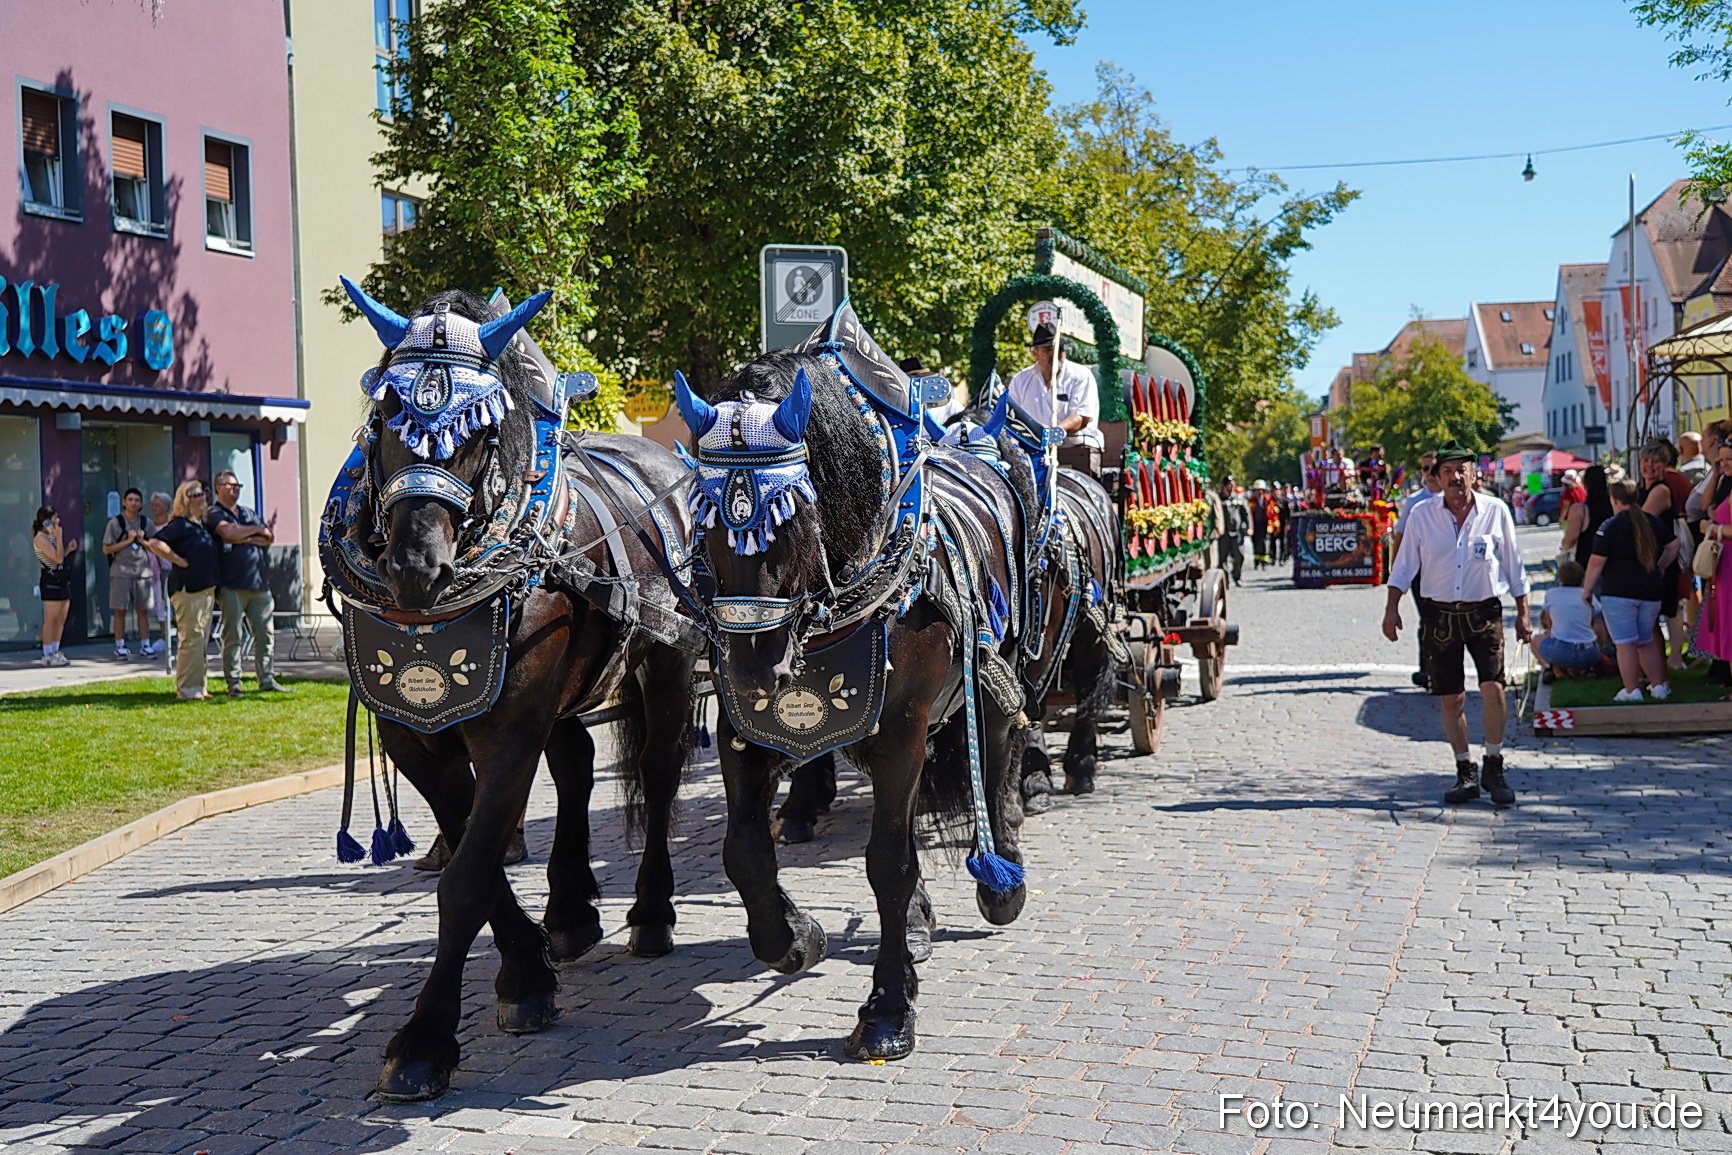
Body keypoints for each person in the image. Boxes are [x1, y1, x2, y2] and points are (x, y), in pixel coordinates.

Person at [1382, 441, 1530, 806]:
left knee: (1494, 690)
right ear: (1437, 476)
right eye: (1447, 471)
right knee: (1452, 697)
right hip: (1440, 615)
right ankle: (1465, 769)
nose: (1455, 477)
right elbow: (1403, 567)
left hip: (1484, 613)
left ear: (1474, 473)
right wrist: (1392, 608)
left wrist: (1524, 612)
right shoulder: (1421, 515)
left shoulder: (1495, 510)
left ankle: (1494, 764)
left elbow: (1513, 565)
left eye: (1461, 469)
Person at [1583, 479, 1682, 702]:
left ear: (1614, 500)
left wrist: (1587, 590)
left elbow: (1596, 562)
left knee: (1625, 643)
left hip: (1618, 592)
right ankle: (1658, 687)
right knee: (1645, 640)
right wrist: (1660, 566)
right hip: (1650, 589)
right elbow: (1675, 545)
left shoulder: (1610, 526)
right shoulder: (1651, 522)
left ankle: (1631, 690)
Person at [206, 469, 290, 696]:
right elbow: (227, 533)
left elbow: (268, 536)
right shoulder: (214, 512)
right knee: (233, 635)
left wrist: (241, 534)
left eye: (238, 486)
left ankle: (267, 680)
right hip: (231, 585)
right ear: (218, 487)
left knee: (265, 634)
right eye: (231, 485)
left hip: (259, 585)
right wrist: (253, 533)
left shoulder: (247, 512)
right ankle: (234, 683)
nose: (235, 489)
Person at [147, 481, 220, 701]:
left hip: (205, 588)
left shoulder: (200, 525)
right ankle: (188, 689)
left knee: (200, 638)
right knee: (191, 638)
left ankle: (199, 686)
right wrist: (178, 560)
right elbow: (155, 543)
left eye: (203, 494)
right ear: (185, 500)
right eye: (196, 494)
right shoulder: (180, 524)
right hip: (188, 589)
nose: (202, 498)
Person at [1006, 321, 1102, 476]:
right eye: (1048, 350)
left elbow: (1081, 417)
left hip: (1075, 448)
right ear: (1035, 353)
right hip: (1031, 449)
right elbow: (1010, 413)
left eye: (1059, 349)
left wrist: (1054, 432)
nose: (1055, 354)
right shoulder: (1021, 379)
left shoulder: (1080, 376)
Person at [1637, 440, 1693, 669]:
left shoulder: (1661, 490)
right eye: (1646, 460)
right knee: (1655, 612)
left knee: (1670, 609)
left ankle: (1676, 659)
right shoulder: (1644, 488)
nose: (1649, 465)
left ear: (1664, 465)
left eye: (1655, 461)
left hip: (1663, 559)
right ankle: (1660, 661)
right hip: (1650, 557)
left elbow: (1639, 519)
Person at [1391, 452, 1442, 689]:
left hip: (1448, 569)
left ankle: (1446, 668)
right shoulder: (1414, 501)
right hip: (1421, 570)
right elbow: (1399, 535)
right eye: (1424, 469)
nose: (1429, 474)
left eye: (1433, 468)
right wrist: (1396, 570)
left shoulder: (1452, 497)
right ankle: (1428, 669)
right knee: (1428, 618)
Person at [102, 487, 161, 660]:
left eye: (137, 500)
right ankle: (120, 645)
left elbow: (157, 546)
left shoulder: (146, 523)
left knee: (143, 610)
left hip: (143, 572)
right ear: (124, 502)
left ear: (141, 503)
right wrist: (128, 540)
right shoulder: (115, 523)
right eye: (130, 500)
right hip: (121, 572)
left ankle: (145, 644)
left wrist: (142, 541)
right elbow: (106, 549)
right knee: (120, 610)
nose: (133, 503)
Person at [1694, 440, 1732, 687]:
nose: (1724, 464)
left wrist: (1713, 529)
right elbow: (1704, 505)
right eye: (1721, 460)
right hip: (1725, 562)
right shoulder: (1725, 484)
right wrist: (1716, 472)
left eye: (1728, 460)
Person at [1535, 561, 1607, 679]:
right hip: (1589, 653)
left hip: (1560, 651)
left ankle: (1550, 669)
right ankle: (1586, 669)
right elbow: (1593, 620)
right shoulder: (1587, 595)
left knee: (1536, 640)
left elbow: (1549, 622)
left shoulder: (1552, 593)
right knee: (1597, 628)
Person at [31, 507, 77, 668]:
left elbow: (59, 557)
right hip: (50, 580)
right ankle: (47, 653)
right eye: (55, 518)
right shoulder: (41, 538)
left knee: (61, 618)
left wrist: (68, 548)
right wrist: (59, 537)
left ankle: (56, 650)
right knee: (51, 619)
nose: (58, 521)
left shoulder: (51, 537)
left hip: (61, 579)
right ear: (46, 521)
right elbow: (57, 559)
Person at [1563, 463, 1613, 571]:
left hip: (1586, 565)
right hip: (1611, 564)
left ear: (1585, 484)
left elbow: (1570, 539)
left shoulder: (1580, 509)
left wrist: (1563, 546)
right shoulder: (1614, 506)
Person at [147, 491, 173, 642]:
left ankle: (173, 635)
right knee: (159, 605)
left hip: (167, 568)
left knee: (169, 604)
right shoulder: (150, 526)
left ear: (166, 506)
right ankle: (164, 636)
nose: (154, 508)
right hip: (152, 571)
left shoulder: (171, 525)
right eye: (153, 505)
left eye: (158, 505)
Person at [1216, 477, 1248, 586]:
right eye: (1230, 484)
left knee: (1239, 556)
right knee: (1222, 559)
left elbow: (1246, 513)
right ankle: (1225, 581)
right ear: (1224, 486)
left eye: (1233, 484)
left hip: (1237, 532)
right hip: (1223, 534)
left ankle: (1237, 576)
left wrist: (1249, 527)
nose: (1232, 486)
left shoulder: (1239, 498)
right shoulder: (1219, 499)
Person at [1249, 481, 1278, 569]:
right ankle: (1256, 561)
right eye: (1258, 490)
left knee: (1265, 543)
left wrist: (1276, 528)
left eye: (1261, 490)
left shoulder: (1269, 500)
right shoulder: (1251, 501)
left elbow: (1274, 515)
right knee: (1255, 543)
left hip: (1266, 526)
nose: (1260, 492)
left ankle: (1264, 562)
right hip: (1255, 526)